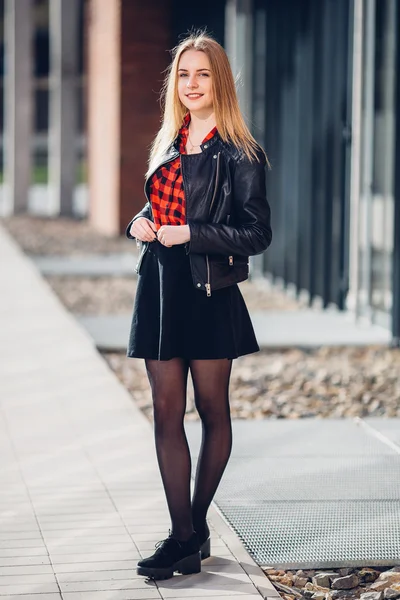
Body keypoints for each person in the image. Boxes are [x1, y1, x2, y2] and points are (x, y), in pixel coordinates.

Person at [125, 31, 272, 581]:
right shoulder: (169, 140)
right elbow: (155, 204)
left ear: (220, 82)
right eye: (184, 74)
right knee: (166, 412)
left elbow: (257, 233)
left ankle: (194, 526)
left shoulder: (241, 151)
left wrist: (192, 233)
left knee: (212, 412)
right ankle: (183, 537)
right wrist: (139, 224)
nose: (192, 84)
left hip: (210, 293)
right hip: (160, 289)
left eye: (203, 74)